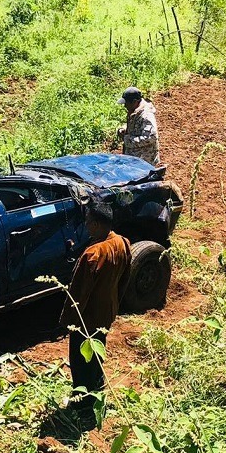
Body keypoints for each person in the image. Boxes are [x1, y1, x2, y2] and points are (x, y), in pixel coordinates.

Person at [61, 203, 132, 402]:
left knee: (81, 361)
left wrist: (69, 321)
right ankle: (98, 388)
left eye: (88, 222)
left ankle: (82, 401)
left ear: (97, 224)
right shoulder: (123, 242)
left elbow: (78, 294)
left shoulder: (93, 254)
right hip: (106, 313)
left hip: (87, 320)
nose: (86, 226)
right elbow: (125, 278)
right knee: (97, 354)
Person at [116, 86, 160, 165]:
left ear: (135, 102)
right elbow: (136, 124)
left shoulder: (146, 115)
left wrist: (127, 140)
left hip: (144, 161)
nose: (125, 106)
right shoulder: (134, 110)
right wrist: (124, 128)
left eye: (126, 103)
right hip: (135, 159)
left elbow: (151, 137)